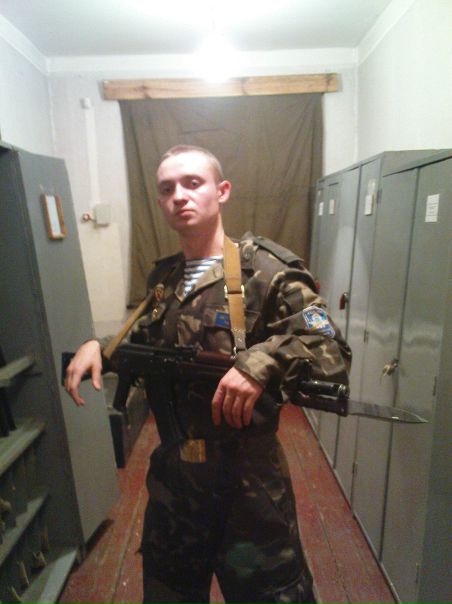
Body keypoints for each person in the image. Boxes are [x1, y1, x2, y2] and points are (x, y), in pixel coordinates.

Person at [65, 144, 351, 604]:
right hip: (176, 485)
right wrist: (101, 346)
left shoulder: (268, 272)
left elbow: (330, 348)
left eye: (192, 183)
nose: (179, 195)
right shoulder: (164, 280)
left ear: (222, 191)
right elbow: (151, 343)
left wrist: (262, 362)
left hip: (248, 489)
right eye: (167, 189)